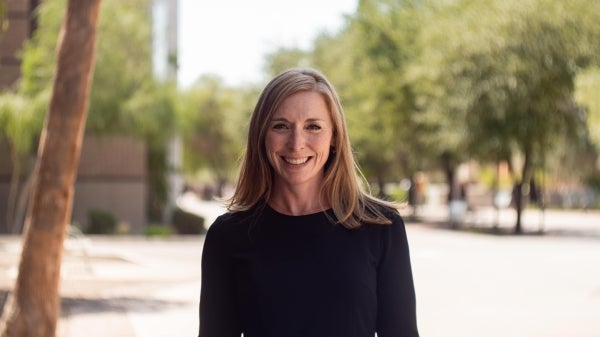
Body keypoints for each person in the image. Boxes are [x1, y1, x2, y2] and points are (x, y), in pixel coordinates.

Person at [199, 68, 419, 337]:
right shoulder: (227, 236)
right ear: (261, 135)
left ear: (335, 135)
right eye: (281, 126)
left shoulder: (381, 227)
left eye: (313, 126)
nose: (296, 143)